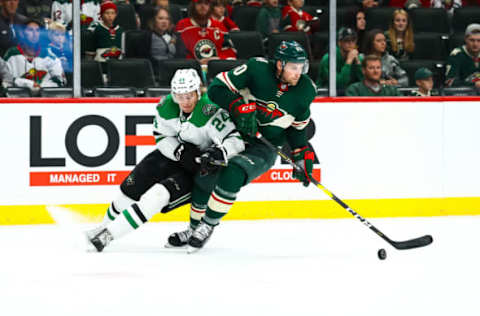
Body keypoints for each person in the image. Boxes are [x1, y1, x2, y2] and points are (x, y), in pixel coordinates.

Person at [175, 40, 317, 252]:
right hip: (232, 135)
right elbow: (216, 88)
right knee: (206, 173)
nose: (299, 73)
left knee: (233, 172)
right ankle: (193, 228)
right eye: (294, 67)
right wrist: (238, 107)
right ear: (279, 64)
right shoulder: (256, 68)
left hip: (264, 146)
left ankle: (208, 225)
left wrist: (300, 156)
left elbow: (297, 129)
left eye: (301, 67)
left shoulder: (306, 90)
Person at [86, 68, 245, 252]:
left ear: (198, 92)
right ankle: (101, 228)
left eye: (189, 96)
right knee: (130, 188)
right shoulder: (166, 106)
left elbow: (236, 140)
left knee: (158, 196)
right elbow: (161, 137)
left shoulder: (211, 111)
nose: (185, 102)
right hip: (171, 155)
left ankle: (107, 236)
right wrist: (178, 151)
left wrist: (219, 153)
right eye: (179, 96)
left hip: (196, 167)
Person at [3, 19, 66, 92]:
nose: (34, 34)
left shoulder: (49, 55)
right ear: (23, 33)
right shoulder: (11, 54)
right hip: (16, 100)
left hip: (44, 101)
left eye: (37, 30)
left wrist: (40, 87)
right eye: (30, 30)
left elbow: (60, 81)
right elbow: (5, 80)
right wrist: (29, 84)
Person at [175, 0, 237, 65]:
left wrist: (217, 60)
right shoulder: (182, 25)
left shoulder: (219, 26)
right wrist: (196, 63)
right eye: (199, 3)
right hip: (191, 69)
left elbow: (230, 51)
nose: (203, 6)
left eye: (206, 3)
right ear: (193, 6)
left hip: (216, 67)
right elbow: (180, 54)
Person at [316, 27, 363, 92]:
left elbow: (365, 83)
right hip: (326, 93)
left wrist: (358, 63)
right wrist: (348, 62)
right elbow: (339, 84)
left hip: (351, 93)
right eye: (347, 40)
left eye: (353, 40)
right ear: (339, 43)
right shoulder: (328, 59)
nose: (350, 43)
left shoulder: (359, 58)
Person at [445, 23, 480, 91]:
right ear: (465, 39)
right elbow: (450, 82)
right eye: (472, 40)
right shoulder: (457, 55)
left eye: (479, 41)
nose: (475, 44)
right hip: (464, 93)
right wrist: (474, 84)